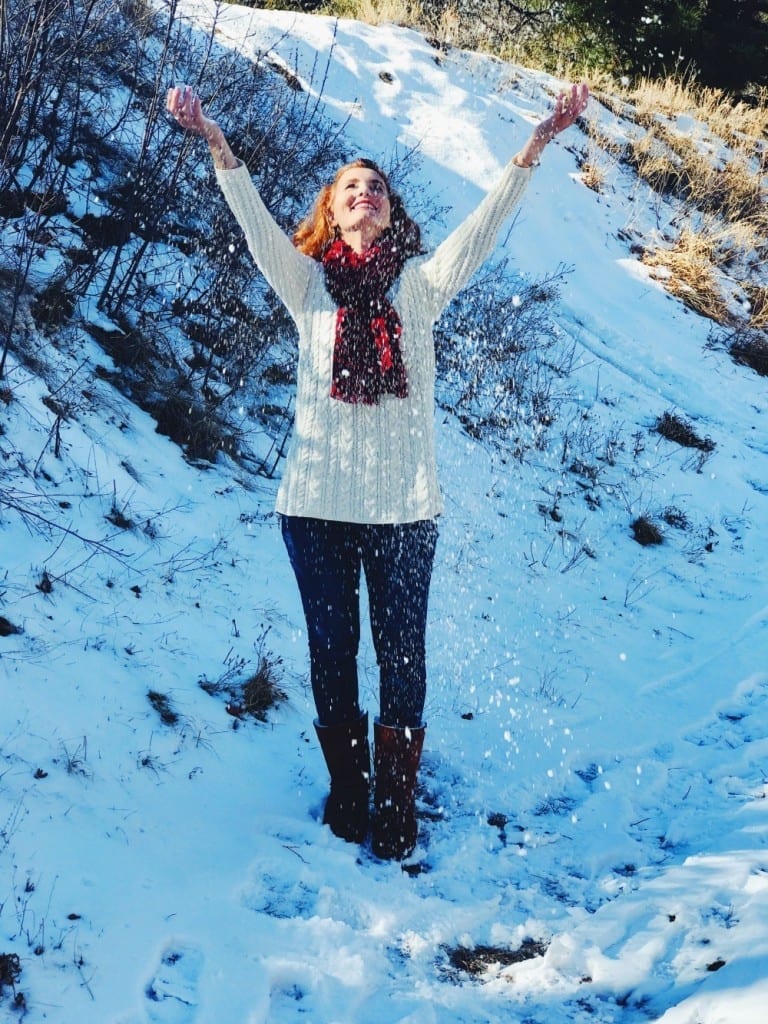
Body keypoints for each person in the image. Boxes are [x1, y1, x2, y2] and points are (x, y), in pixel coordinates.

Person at [166, 77, 589, 860]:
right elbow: (254, 222)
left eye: (378, 187)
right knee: (331, 652)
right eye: (351, 186)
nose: (366, 193)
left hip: (403, 509)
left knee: (401, 655)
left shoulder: (420, 288)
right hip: (315, 507)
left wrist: (535, 145)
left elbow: (486, 227)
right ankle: (350, 786)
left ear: (391, 213)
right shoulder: (304, 286)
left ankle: (396, 798)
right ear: (331, 211)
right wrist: (216, 141)